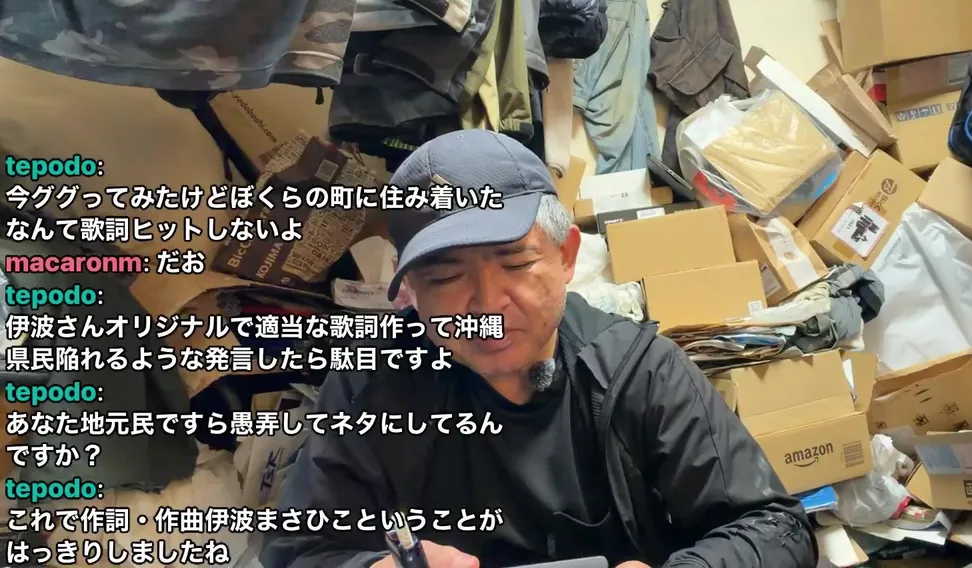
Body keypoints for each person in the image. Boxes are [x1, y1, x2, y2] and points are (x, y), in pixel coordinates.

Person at [260, 130, 817, 568]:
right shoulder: (371, 387)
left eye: (515, 263)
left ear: (566, 256)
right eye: (447, 276)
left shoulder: (638, 371)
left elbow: (777, 529)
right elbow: (296, 549)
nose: (486, 303)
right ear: (409, 291)